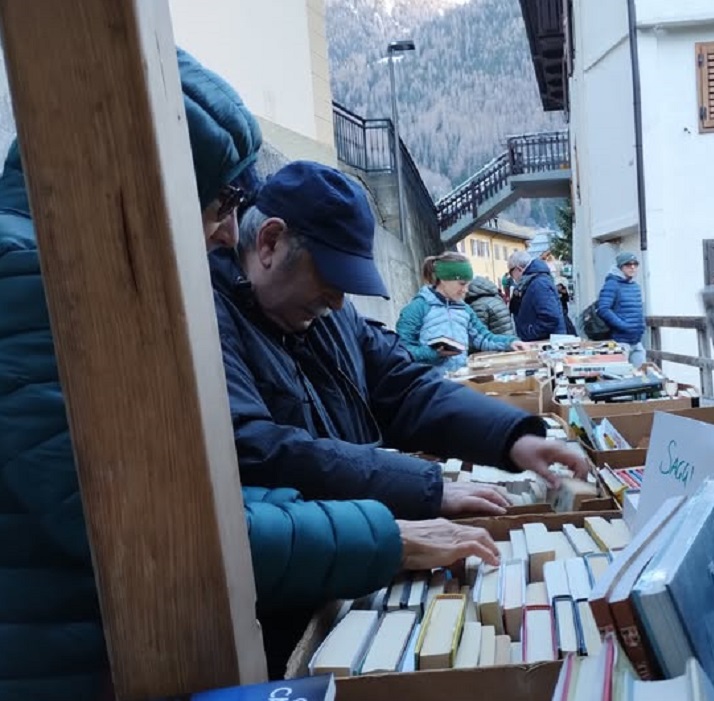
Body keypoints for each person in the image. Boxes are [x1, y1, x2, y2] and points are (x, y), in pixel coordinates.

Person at [0, 51, 502, 697]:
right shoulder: (33, 277)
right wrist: (381, 532)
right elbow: (146, 525)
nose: (222, 232)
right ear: (143, 182)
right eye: (220, 203)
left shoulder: (65, 267)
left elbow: (177, 494)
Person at [212, 161, 590, 522]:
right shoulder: (211, 321)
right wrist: (422, 488)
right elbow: (263, 451)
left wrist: (511, 437)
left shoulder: (329, 314)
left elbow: (406, 388)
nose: (338, 301)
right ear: (270, 243)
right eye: (330, 278)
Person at [396, 257, 526, 372]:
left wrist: (510, 343)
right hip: (429, 385)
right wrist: (434, 354)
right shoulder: (417, 308)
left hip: (460, 380)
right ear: (444, 280)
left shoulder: (465, 309)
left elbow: (484, 338)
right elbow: (401, 350)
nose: (465, 290)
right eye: (462, 284)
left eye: (468, 285)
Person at [597, 251, 646, 367]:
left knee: (641, 376)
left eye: (635, 264)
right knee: (622, 378)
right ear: (620, 267)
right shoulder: (612, 284)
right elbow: (603, 309)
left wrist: (641, 326)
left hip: (637, 340)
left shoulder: (635, 286)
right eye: (628, 264)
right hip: (620, 341)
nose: (632, 267)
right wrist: (623, 326)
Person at [507, 250, 566, 341]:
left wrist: (528, 333)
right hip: (544, 342)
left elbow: (550, 318)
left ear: (518, 269)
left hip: (547, 344)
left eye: (511, 272)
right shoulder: (532, 282)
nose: (511, 277)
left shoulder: (539, 284)